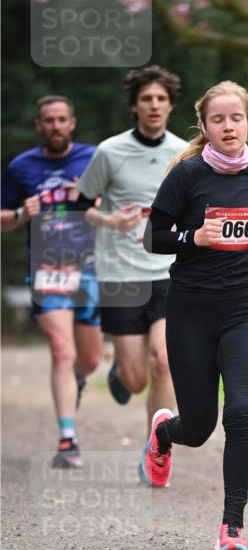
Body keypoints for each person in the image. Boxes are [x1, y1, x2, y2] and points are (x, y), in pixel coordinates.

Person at [141, 80, 248, 550]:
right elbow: (153, 237)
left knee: (240, 413)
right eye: (218, 120)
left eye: (236, 118)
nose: (228, 126)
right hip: (190, 310)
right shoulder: (187, 176)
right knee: (198, 428)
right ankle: (164, 433)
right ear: (205, 126)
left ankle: (232, 526)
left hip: (246, 309)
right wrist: (194, 238)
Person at [75, 66, 187, 468]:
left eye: (161, 98)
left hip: (169, 271)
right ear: (134, 106)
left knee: (165, 360)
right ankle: (121, 372)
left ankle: (156, 450)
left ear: (170, 105)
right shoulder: (110, 152)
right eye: (146, 99)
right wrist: (109, 220)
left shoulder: (184, 152)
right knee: (137, 379)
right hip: (121, 274)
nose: (154, 105)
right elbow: (80, 205)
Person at [1, 95, 102, 468]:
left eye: (62, 119)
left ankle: (78, 379)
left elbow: (114, 205)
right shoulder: (21, 167)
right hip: (45, 267)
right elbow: (2, 218)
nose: (56, 126)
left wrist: (90, 200)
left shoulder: (94, 158)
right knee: (61, 348)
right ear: (39, 125)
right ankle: (67, 441)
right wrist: (19, 213)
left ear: (72, 123)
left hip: (88, 267)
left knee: (90, 359)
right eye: (49, 120)